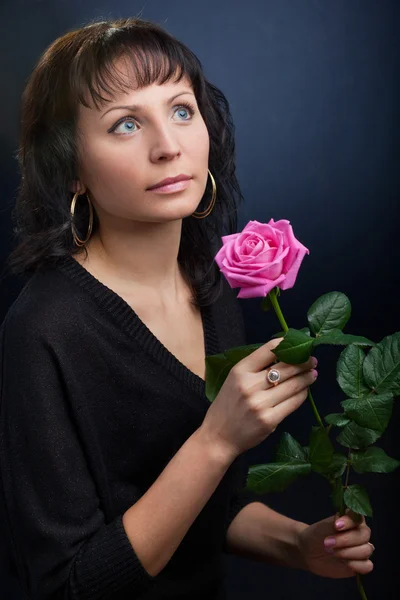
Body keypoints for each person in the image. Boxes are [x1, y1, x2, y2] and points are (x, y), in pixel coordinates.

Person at [0, 16, 374, 600]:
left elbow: (210, 508)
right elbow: (66, 588)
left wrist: (299, 545)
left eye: (181, 109)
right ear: (70, 166)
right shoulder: (43, 330)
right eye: (125, 124)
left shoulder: (210, 287)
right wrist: (217, 439)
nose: (169, 146)